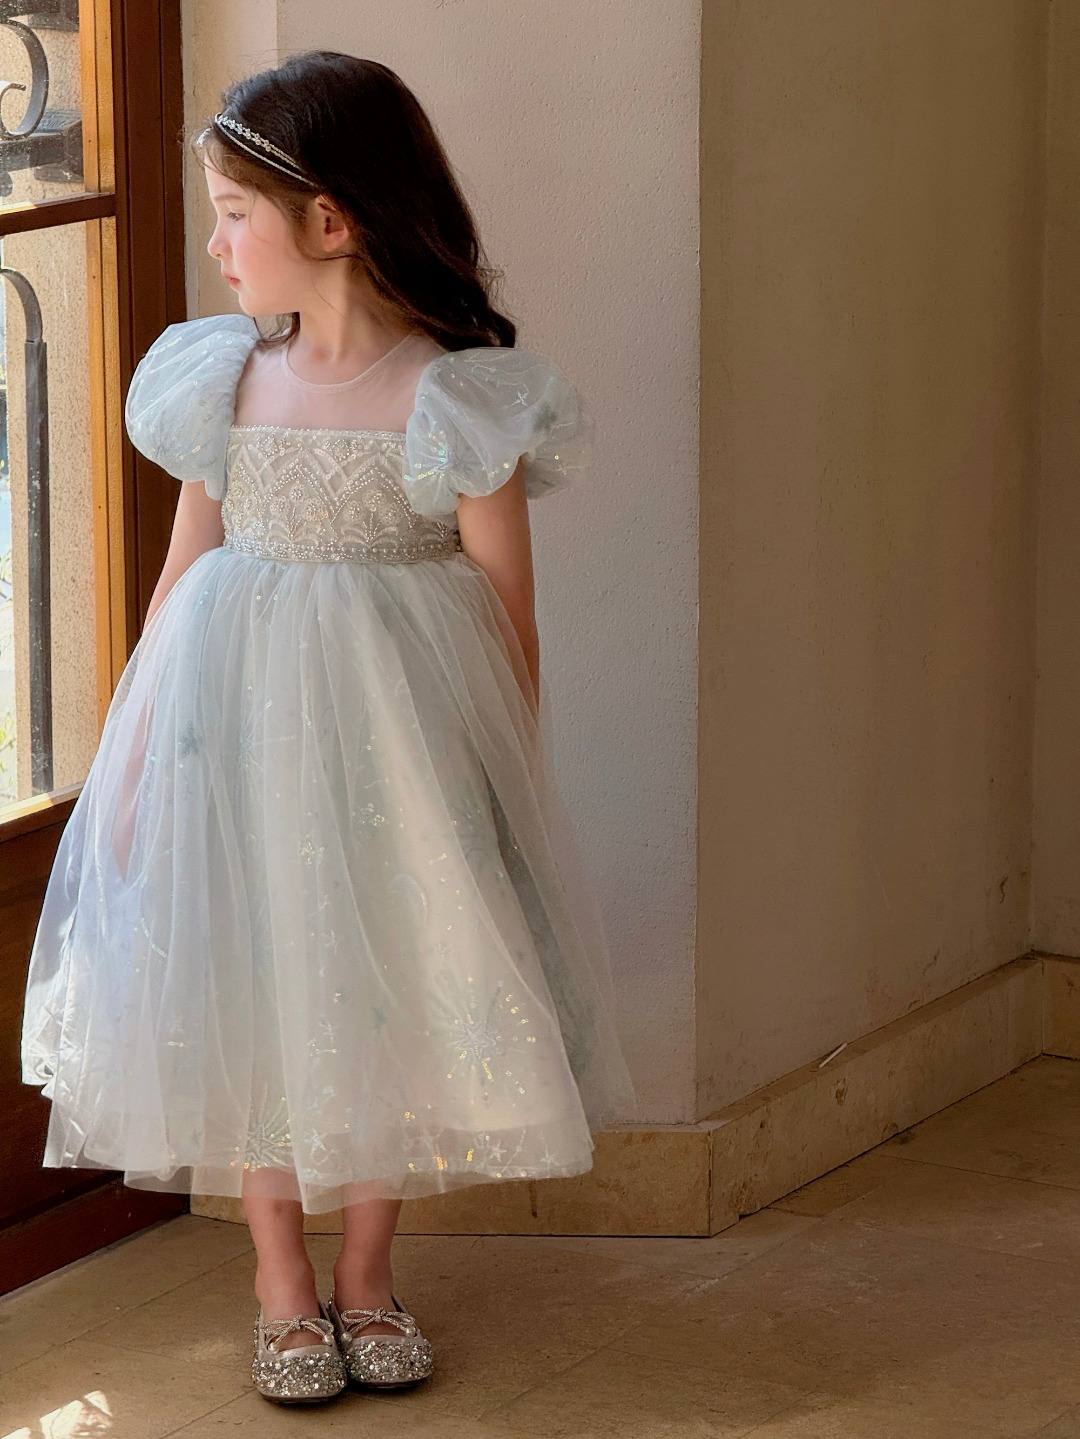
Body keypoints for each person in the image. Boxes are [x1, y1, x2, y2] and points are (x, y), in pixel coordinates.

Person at [19, 50, 637, 1406]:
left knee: (378, 997)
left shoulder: (454, 400)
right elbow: (182, 577)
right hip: (232, 749)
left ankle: (365, 1271)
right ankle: (279, 1279)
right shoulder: (222, 382)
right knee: (255, 988)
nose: (219, 247)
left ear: (332, 221)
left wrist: (496, 785)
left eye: (236, 216)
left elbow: (506, 618)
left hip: (388, 766)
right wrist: (130, 759)